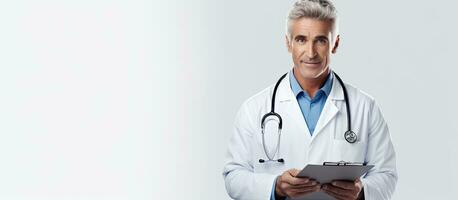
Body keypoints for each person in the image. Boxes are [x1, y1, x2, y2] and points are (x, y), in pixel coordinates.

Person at [222, 0, 397, 199]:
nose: (311, 52)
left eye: (321, 40)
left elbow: (387, 175)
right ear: (288, 43)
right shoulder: (254, 108)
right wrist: (275, 186)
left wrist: (362, 190)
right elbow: (233, 176)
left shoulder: (365, 107)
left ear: (335, 44)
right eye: (301, 39)